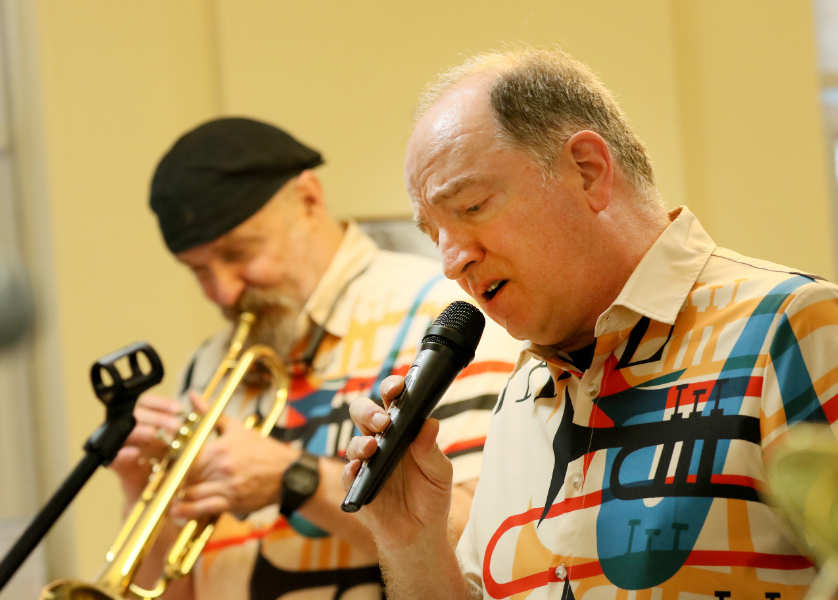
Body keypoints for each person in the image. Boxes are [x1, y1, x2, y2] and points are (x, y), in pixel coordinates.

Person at [343, 47, 838, 599]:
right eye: (434, 234)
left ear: (587, 170)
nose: (451, 260)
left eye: (472, 206)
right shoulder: (520, 397)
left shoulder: (796, 326)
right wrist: (412, 542)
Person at [110, 117, 518, 600]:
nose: (222, 290)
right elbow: (172, 591)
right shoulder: (209, 364)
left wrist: (293, 478)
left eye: (239, 253)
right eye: (198, 271)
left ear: (308, 199)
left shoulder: (439, 317)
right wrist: (141, 486)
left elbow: (482, 545)